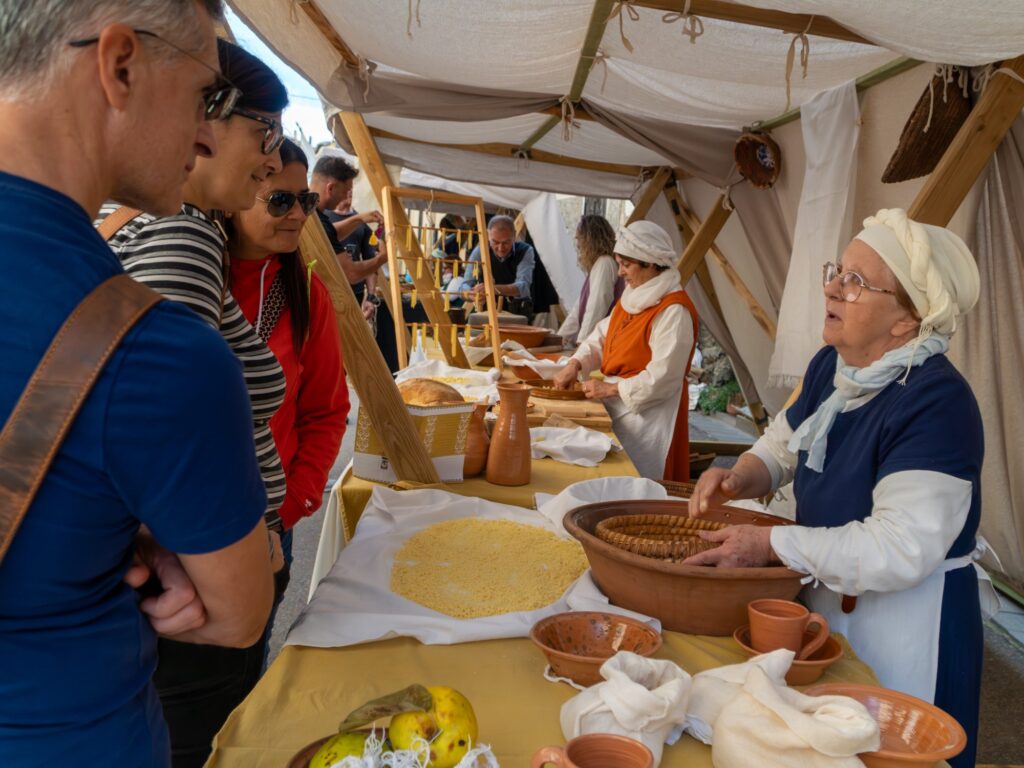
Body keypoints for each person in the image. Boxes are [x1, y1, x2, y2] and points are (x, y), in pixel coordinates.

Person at [0, 3, 275, 767]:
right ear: (120, 65)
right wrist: (148, 533)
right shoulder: (156, 353)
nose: (206, 134)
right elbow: (237, 615)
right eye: (208, 96)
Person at [686, 209, 984, 768]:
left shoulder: (937, 403)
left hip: (903, 624)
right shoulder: (834, 365)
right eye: (837, 271)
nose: (831, 288)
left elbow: (899, 547)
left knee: (882, 750)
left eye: (856, 281)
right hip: (827, 597)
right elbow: (783, 445)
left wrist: (772, 544)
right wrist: (741, 476)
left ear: (906, 319)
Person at [97, 38, 290, 768]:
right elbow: (165, 416)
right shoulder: (183, 233)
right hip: (195, 586)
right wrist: (224, 547)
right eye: (263, 135)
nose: (272, 161)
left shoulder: (157, 226)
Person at [228, 139, 351, 615]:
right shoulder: (188, 278)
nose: (299, 215)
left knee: (248, 653)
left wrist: (288, 508)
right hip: (172, 522)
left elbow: (326, 412)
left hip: (267, 524)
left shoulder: (307, 294)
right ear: (236, 195)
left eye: (307, 200)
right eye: (280, 200)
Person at [552, 221, 698, 481]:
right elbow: (602, 335)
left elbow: (663, 377)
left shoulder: (674, 311)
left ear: (650, 263)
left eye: (626, 264)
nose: (620, 272)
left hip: (651, 419)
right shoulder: (634, 295)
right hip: (620, 404)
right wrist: (575, 364)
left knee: (639, 482)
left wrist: (610, 389)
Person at [309, 155, 398, 369]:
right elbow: (351, 273)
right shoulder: (314, 217)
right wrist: (383, 258)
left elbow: (329, 233)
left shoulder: (312, 214)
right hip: (320, 307)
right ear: (331, 188)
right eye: (345, 191)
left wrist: (359, 219)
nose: (347, 196)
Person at [450, 214, 536, 319]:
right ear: (488, 235)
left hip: (517, 314)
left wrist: (491, 289)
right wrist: (472, 294)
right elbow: (464, 287)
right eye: (495, 242)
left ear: (514, 235)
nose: (500, 248)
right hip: (487, 316)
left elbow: (523, 287)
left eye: (506, 242)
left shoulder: (525, 250)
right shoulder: (481, 251)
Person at [558, 214, 625, 346]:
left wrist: (582, 342)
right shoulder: (598, 264)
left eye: (580, 238)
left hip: (602, 342)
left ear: (590, 238)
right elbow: (578, 309)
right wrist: (559, 337)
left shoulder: (605, 263)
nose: (577, 243)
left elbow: (597, 307)